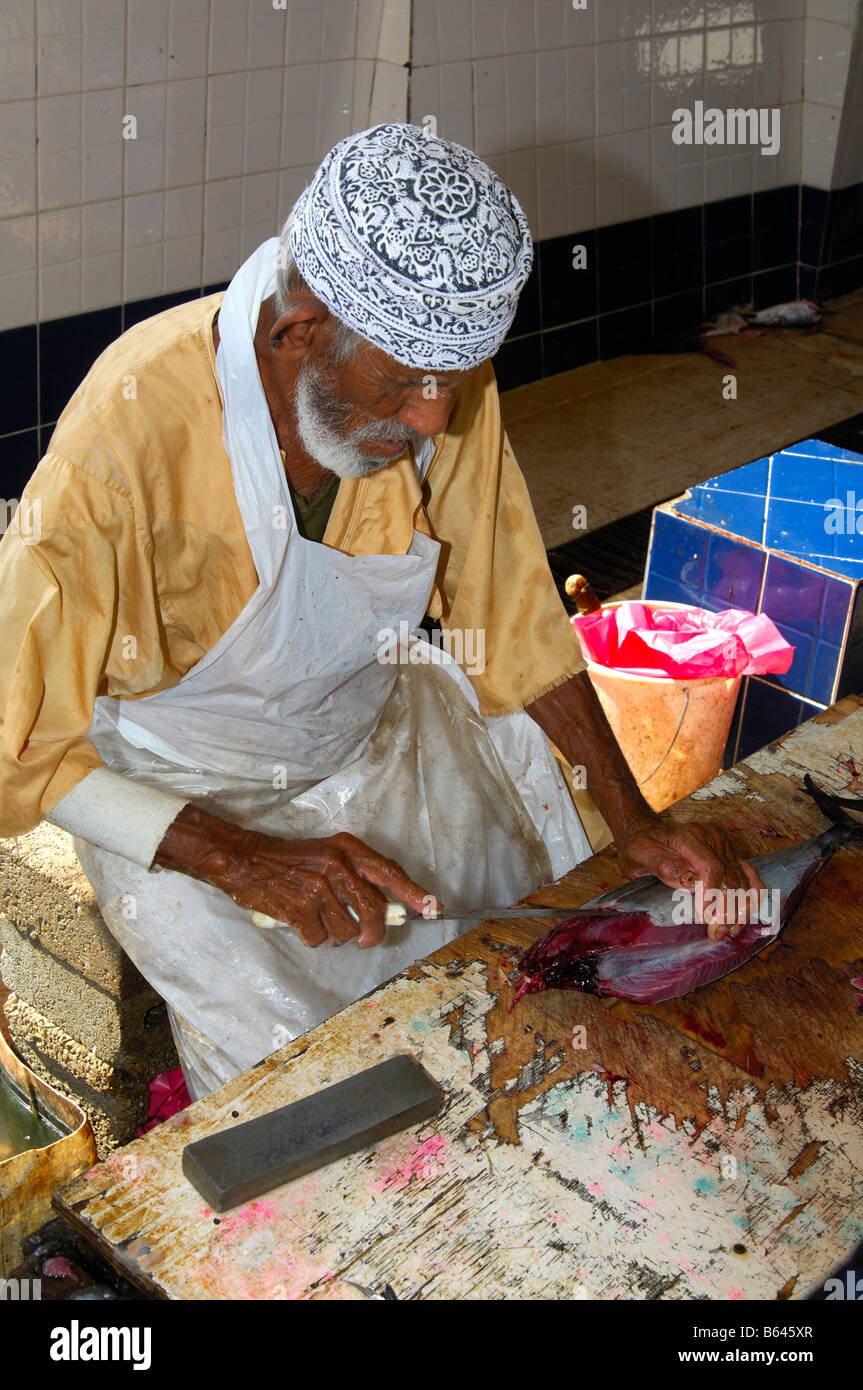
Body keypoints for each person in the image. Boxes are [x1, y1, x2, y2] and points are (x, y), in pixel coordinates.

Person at [0, 124, 760, 1098]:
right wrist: (239, 857)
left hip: (380, 735)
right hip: (188, 789)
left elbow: (510, 605)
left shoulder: (431, 367)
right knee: (309, 1099)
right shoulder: (131, 429)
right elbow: (15, 735)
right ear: (297, 330)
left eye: (450, 383)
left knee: (522, 1001)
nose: (436, 418)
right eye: (403, 383)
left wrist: (630, 813)